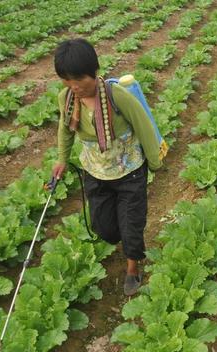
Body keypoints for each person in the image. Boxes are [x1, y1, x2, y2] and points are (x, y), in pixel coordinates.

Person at [52, 38, 163, 296]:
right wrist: (61, 159)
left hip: (130, 172)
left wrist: (154, 162)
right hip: (95, 172)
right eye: (67, 79)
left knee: (131, 226)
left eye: (79, 78)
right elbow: (65, 130)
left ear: (94, 71)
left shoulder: (117, 96)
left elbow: (144, 125)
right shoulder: (66, 99)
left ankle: (133, 268)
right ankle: (121, 241)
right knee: (105, 227)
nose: (74, 86)